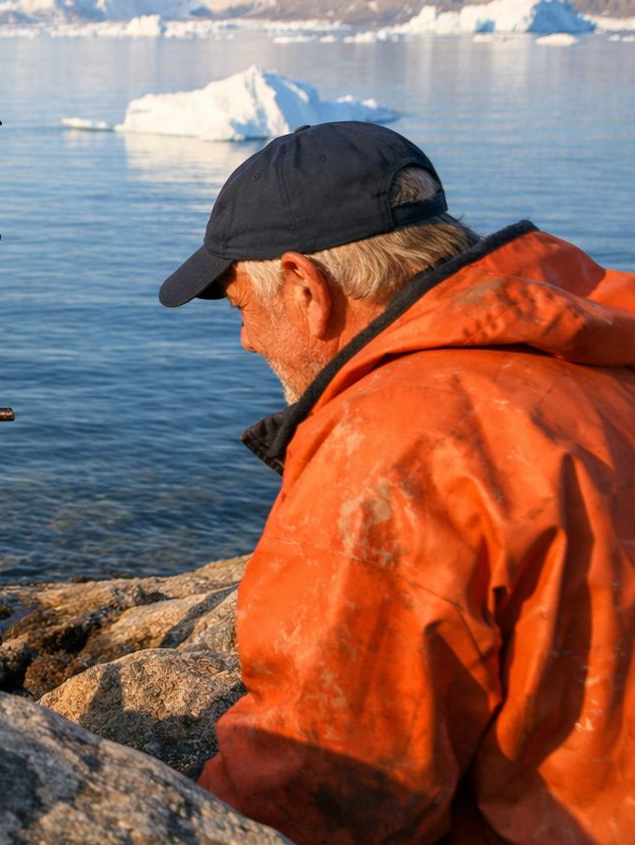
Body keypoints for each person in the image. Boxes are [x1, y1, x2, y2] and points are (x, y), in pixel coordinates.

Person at [158, 121, 635, 843]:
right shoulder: (598, 366)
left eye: (240, 307)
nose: (246, 339)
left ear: (305, 286)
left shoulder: (394, 446)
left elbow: (330, 782)